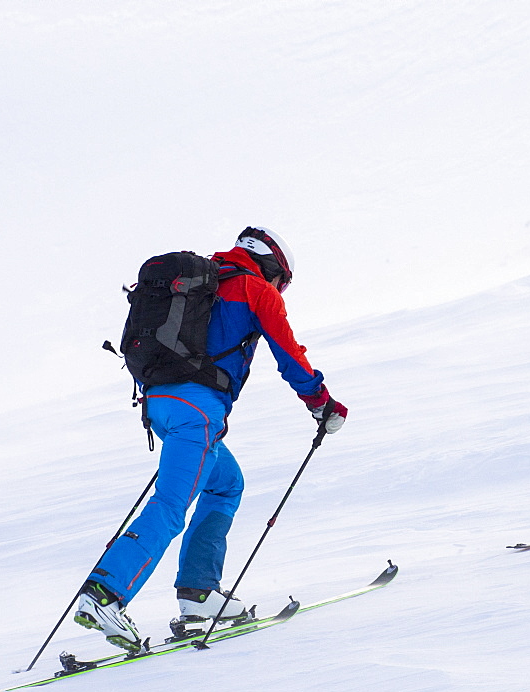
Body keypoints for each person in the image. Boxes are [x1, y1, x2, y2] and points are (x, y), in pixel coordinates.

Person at [74, 226, 348, 650]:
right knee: (170, 503)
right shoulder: (256, 290)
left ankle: (198, 593)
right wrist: (322, 401)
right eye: (284, 280)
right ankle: (105, 595)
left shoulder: (202, 282)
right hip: (197, 412)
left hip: (160, 404)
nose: (282, 289)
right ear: (272, 264)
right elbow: (288, 353)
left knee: (225, 482)